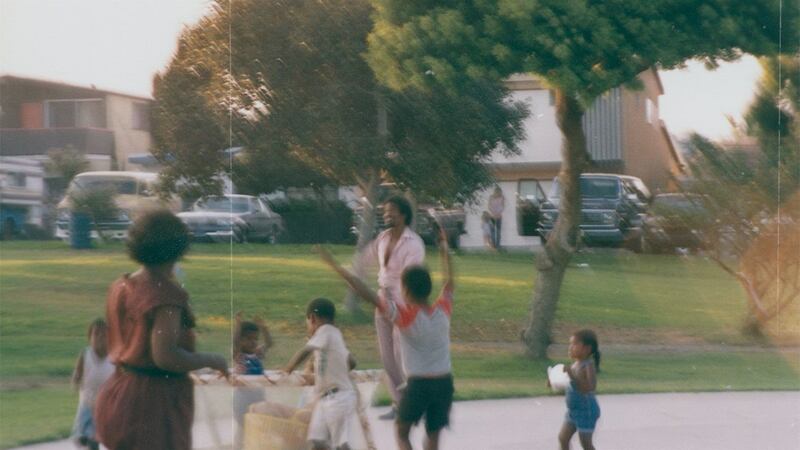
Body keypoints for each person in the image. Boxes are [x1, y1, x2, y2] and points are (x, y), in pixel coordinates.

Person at [94, 210, 229, 450]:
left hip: (119, 392)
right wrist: (212, 359)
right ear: (179, 248)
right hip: (152, 404)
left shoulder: (122, 286)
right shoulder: (165, 295)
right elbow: (166, 356)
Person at [318, 225, 455, 450]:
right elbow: (449, 282)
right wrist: (443, 248)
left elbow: (366, 293)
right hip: (444, 383)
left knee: (402, 431)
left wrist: (335, 266)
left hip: (419, 384)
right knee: (433, 434)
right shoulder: (443, 309)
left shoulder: (404, 316)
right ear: (429, 289)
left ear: (406, 291)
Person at [359, 195, 425, 419]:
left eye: (391, 212)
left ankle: (415, 404)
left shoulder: (414, 243)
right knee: (387, 358)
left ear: (403, 214)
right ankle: (399, 406)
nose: (386, 215)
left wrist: (400, 304)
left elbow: (411, 278)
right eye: (385, 212)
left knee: (401, 357)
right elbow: (364, 260)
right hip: (382, 302)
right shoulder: (383, 238)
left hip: (403, 305)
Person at [283, 298, 358, 450]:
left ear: (312, 318)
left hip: (338, 398)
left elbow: (306, 351)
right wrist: (336, 370)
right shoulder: (335, 335)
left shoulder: (325, 331)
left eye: (308, 323)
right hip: (325, 399)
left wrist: (288, 368)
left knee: (340, 445)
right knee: (316, 442)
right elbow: (352, 362)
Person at [70, 319, 114, 450]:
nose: (100, 338)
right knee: (82, 437)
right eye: (96, 334)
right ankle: (85, 440)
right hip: (86, 404)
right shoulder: (85, 354)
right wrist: (75, 380)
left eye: (104, 335)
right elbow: (78, 372)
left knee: (94, 437)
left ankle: (91, 443)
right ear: (90, 338)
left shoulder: (113, 358)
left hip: (104, 407)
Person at [232, 313, 273, 449]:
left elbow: (269, 343)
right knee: (243, 428)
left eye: (255, 339)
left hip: (258, 396)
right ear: (241, 340)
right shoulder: (239, 355)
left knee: (258, 427)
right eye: (249, 339)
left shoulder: (257, 353)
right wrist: (238, 326)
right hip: (242, 398)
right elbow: (235, 342)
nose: (253, 342)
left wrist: (264, 328)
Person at [558, 329, 601, 450]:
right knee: (563, 438)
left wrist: (572, 375)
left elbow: (590, 387)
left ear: (587, 349)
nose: (570, 347)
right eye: (570, 344)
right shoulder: (574, 365)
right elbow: (570, 386)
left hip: (586, 411)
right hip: (573, 410)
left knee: (586, 444)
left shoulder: (588, 365)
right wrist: (554, 381)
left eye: (575, 344)